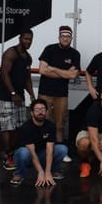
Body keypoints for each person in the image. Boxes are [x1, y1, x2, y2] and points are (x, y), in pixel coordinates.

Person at [37, 25, 81, 156]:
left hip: (61, 95)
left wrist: (54, 68)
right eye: (63, 36)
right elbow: (42, 70)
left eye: (68, 36)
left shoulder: (74, 54)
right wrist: (64, 72)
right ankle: (41, 150)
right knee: (42, 122)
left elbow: (73, 75)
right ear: (59, 37)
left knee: (60, 124)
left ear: (71, 38)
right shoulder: (50, 49)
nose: (65, 38)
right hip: (45, 93)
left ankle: (60, 151)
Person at [0, 30, 36, 171]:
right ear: (20, 38)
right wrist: (13, 93)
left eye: (30, 39)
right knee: (8, 126)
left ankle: (12, 152)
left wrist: (31, 94)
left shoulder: (28, 57)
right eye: (25, 38)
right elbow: (4, 73)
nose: (28, 41)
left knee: (18, 127)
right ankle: (8, 157)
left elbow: (27, 78)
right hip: (6, 96)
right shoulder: (10, 53)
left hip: (19, 97)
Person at [11, 98, 67, 187]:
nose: (40, 112)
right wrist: (40, 172)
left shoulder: (51, 126)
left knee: (62, 149)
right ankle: (19, 174)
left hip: (41, 155)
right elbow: (32, 153)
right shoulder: (26, 127)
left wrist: (47, 172)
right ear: (32, 113)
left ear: (47, 112)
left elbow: (50, 150)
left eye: (43, 109)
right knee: (23, 152)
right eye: (37, 110)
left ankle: (53, 172)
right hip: (28, 156)